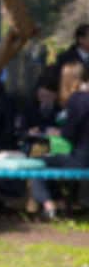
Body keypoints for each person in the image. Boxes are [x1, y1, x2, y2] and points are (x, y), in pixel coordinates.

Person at [31, 62, 89, 220]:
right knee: (50, 163)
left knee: (39, 163)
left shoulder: (77, 99)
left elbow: (69, 133)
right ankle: (61, 204)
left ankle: (49, 207)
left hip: (82, 158)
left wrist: (58, 132)